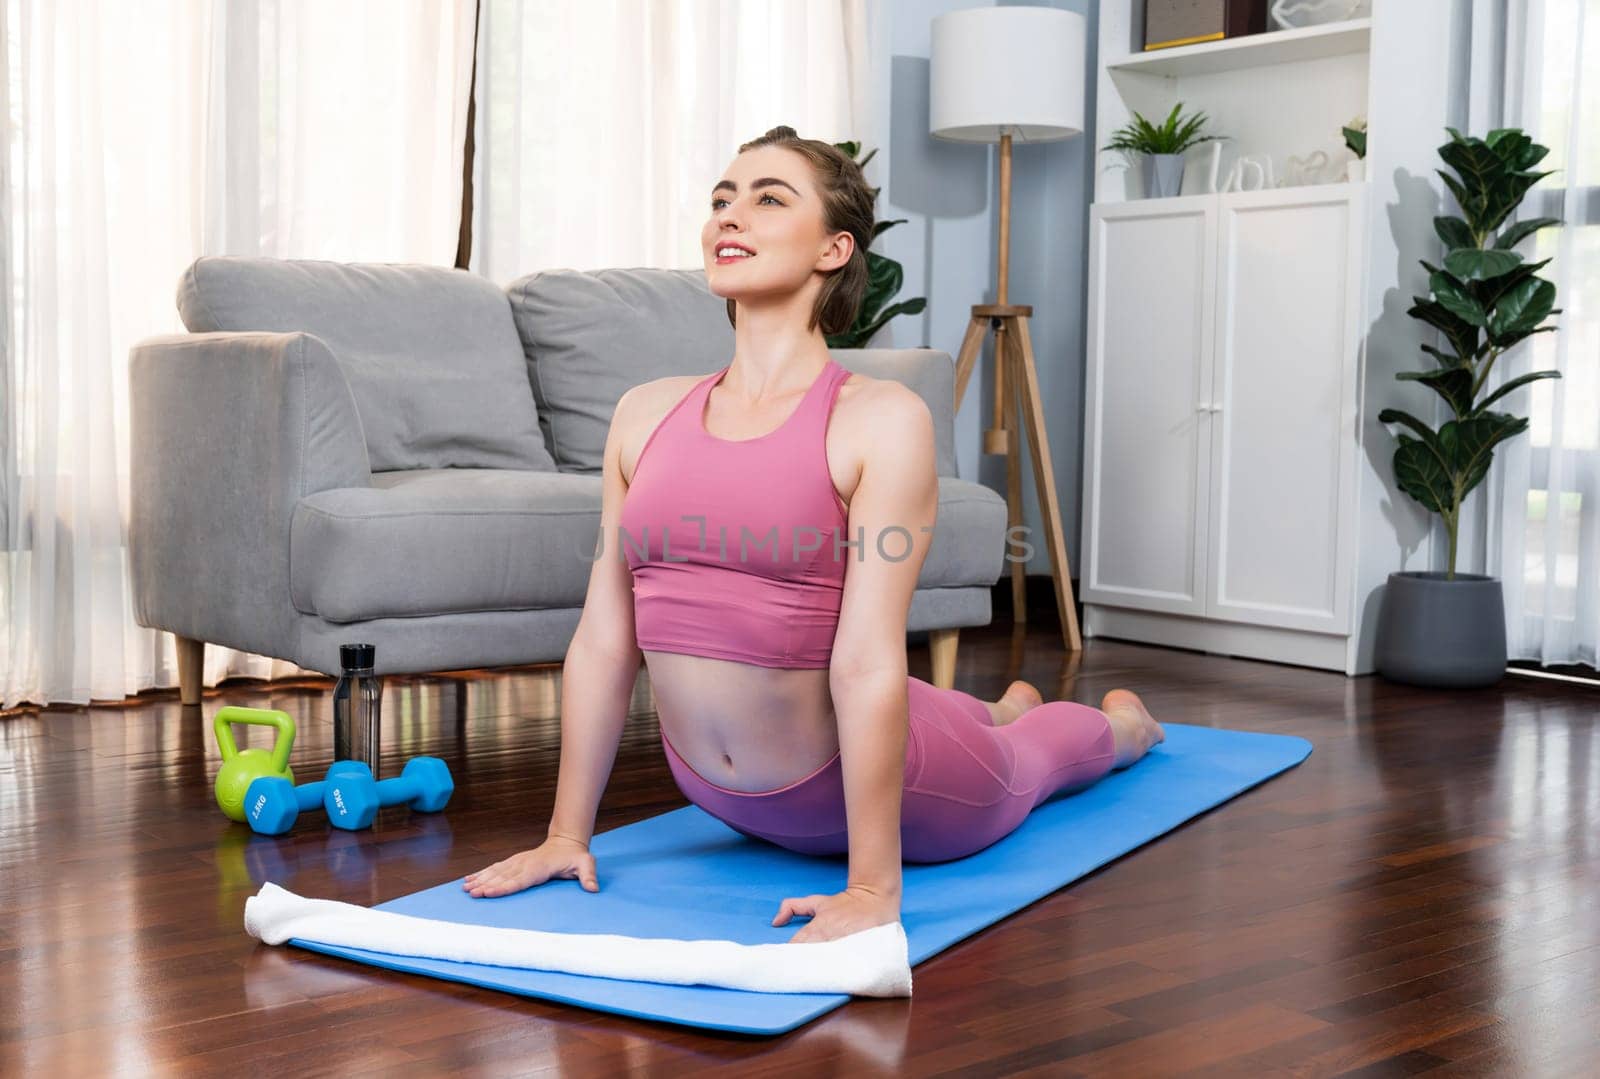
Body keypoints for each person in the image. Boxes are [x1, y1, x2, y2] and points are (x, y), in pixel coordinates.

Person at [464, 126, 1165, 943]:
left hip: (885, 790)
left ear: (835, 249)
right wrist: (564, 836)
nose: (731, 216)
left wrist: (872, 886)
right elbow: (603, 639)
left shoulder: (878, 420)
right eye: (722, 199)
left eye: (768, 198)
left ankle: (1121, 728)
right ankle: (997, 706)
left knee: (1031, 763)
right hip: (713, 790)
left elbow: (867, 658)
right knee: (962, 712)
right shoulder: (644, 412)